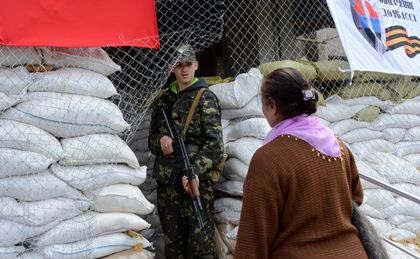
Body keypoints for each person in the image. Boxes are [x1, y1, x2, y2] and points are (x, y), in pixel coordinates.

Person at [234, 67, 373, 258]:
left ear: (272, 105)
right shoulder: (338, 144)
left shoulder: (268, 159)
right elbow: (355, 199)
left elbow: (253, 238)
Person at [148, 44, 224, 259]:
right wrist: (161, 141)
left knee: (201, 244)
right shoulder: (163, 100)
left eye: (188, 64)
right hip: (168, 182)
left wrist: (194, 172)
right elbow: (151, 141)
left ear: (196, 65)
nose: (184, 70)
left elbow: (215, 145)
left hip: (195, 179)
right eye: (179, 65)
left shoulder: (205, 97)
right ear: (172, 68)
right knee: (173, 243)